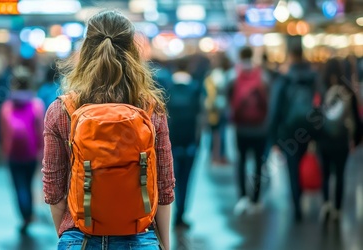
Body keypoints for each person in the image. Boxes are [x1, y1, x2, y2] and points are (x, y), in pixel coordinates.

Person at [42, 10, 175, 250]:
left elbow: (54, 191)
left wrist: (67, 235)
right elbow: (164, 189)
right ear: (133, 52)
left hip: (79, 237)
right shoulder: (151, 110)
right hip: (139, 237)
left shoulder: (61, 110)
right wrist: (164, 244)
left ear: (85, 52)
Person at [269, 45, 318, 222]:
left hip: (289, 130)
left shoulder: (284, 79)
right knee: (304, 160)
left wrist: (273, 137)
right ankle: (302, 192)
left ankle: (297, 204)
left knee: (292, 165)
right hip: (309, 128)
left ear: (290, 57)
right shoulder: (313, 77)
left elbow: (275, 109)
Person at [317, 58, 363, 223]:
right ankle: (337, 207)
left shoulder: (321, 89)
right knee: (340, 174)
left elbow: (314, 117)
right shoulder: (348, 90)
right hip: (342, 140)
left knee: (326, 173)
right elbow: (356, 119)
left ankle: (325, 203)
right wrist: (356, 140)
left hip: (324, 139)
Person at [0, 65, 44, 234]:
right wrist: (41, 151)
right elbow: (40, 130)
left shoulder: (7, 106)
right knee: (28, 183)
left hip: (13, 153)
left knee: (18, 185)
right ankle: (29, 213)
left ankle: (24, 215)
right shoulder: (36, 104)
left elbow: (3, 131)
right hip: (31, 152)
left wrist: (5, 151)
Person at [229, 47, 269, 215]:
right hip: (260, 127)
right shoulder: (262, 75)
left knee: (242, 161)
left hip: (241, 128)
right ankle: (256, 199)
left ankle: (243, 197)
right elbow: (268, 97)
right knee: (259, 164)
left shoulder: (233, 74)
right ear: (252, 55)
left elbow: (229, 98)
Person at [166, 62, 201, 229]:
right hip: (190, 143)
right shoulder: (195, 88)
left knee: (169, 181)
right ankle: (181, 215)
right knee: (186, 180)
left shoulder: (167, 88)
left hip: (171, 143)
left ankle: (168, 216)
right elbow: (202, 116)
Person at [204, 53, 233, 165]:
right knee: (222, 132)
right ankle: (221, 155)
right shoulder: (226, 75)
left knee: (213, 131)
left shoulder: (211, 75)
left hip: (213, 108)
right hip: (223, 107)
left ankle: (212, 155)